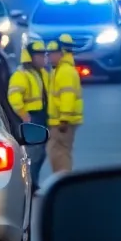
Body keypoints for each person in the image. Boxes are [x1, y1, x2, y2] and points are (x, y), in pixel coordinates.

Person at [8, 40, 50, 193]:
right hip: (31, 117)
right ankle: (28, 185)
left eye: (43, 55)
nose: (43, 58)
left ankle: (33, 182)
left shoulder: (43, 73)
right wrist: (24, 115)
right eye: (39, 55)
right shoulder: (21, 75)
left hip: (43, 115)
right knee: (33, 153)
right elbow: (13, 97)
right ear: (30, 57)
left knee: (41, 152)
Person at [46, 34, 83, 173]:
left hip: (62, 123)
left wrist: (64, 119)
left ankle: (62, 180)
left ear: (60, 53)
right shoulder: (62, 70)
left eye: (51, 54)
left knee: (59, 154)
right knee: (59, 152)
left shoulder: (64, 71)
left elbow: (68, 96)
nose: (49, 57)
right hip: (60, 121)